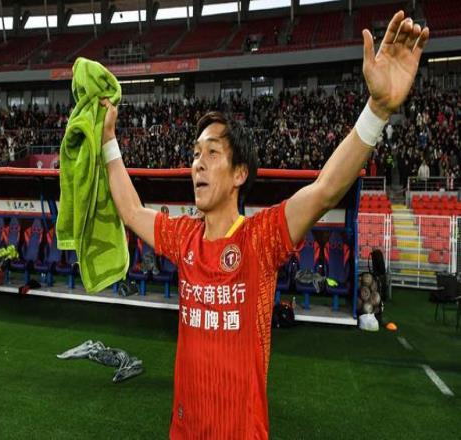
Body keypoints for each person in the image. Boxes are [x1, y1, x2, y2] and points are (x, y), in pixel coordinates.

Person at [99, 11, 428, 439]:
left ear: (240, 174)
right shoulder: (183, 237)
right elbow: (130, 211)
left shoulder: (261, 238)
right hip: (184, 429)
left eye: (212, 153)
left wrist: (377, 110)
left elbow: (325, 189)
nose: (197, 163)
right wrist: (109, 141)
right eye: (195, 154)